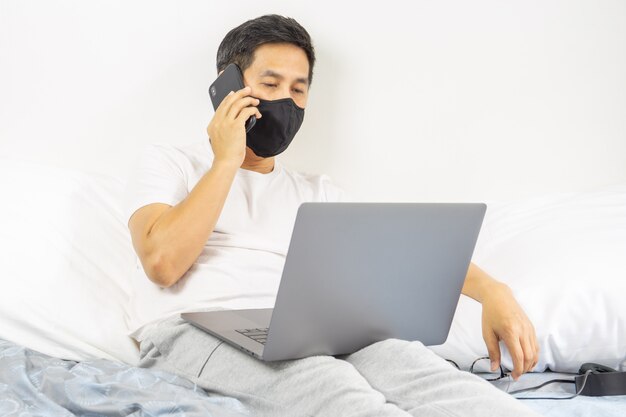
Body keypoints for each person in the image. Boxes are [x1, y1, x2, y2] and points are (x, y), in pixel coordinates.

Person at [125, 14, 541, 417]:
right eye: (270, 84)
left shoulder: (316, 191)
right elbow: (162, 264)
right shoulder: (169, 163)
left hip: (306, 332)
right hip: (193, 330)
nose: (286, 101)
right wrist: (227, 161)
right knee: (336, 392)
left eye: (298, 89)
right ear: (227, 88)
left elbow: (400, 252)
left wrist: (492, 291)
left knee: (436, 381)